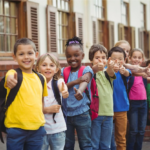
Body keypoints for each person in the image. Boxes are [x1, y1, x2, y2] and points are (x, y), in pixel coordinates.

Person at [4, 38, 48, 150]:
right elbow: (9, 76)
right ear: (14, 57)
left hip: (37, 130)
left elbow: (41, 101)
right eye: (21, 54)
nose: (26, 57)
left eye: (30, 53)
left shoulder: (41, 78)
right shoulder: (13, 74)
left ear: (36, 55)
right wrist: (9, 80)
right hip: (16, 129)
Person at [61, 36, 93, 150]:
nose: (72, 58)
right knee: (67, 145)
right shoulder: (63, 71)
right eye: (69, 56)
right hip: (66, 115)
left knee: (86, 145)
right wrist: (76, 81)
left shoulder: (86, 69)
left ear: (82, 56)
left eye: (76, 55)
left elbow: (85, 80)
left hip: (82, 114)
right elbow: (61, 87)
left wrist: (80, 90)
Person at [35, 53, 69, 150]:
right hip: (41, 130)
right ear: (37, 68)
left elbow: (62, 85)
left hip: (58, 130)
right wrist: (46, 110)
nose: (48, 68)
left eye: (51, 65)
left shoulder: (58, 82)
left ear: (56, 69)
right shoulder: (35, 85)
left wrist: (64, 91)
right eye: (44, 65)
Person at [89, 44, 116, 150]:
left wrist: (109, 66)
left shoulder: (108, 73)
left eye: (103, 58)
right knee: (94, 144)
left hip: (108, 115)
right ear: (91, 59)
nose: (100, 60)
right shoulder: (90, 72)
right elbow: (88, 74)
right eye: (97, 58)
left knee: (106, 145)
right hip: (95, 115)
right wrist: (93, 69)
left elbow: (111, 72)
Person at [108, 47, 131, 150]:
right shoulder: (105, 70)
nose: (117, 61)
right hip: (107, 109)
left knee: (121, 138)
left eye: (120, 58)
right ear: (109, 59)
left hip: (121, 109)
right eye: (114, 58)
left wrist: (123, 71)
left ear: (125, 60)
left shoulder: (125, 71)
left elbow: (127, 73)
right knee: (107, 138)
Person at [127, 48, 148, 150]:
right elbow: (133, 73)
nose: (136, 59)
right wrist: (142, 73)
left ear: (142, 59)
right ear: (130, 58)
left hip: (143, 103)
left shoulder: (144, 72)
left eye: (139, 57)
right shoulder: (129, 71)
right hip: (133, 104)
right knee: (133, 130)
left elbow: (147, 76)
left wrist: (145, 73)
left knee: (141, 131)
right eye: (134, 57)